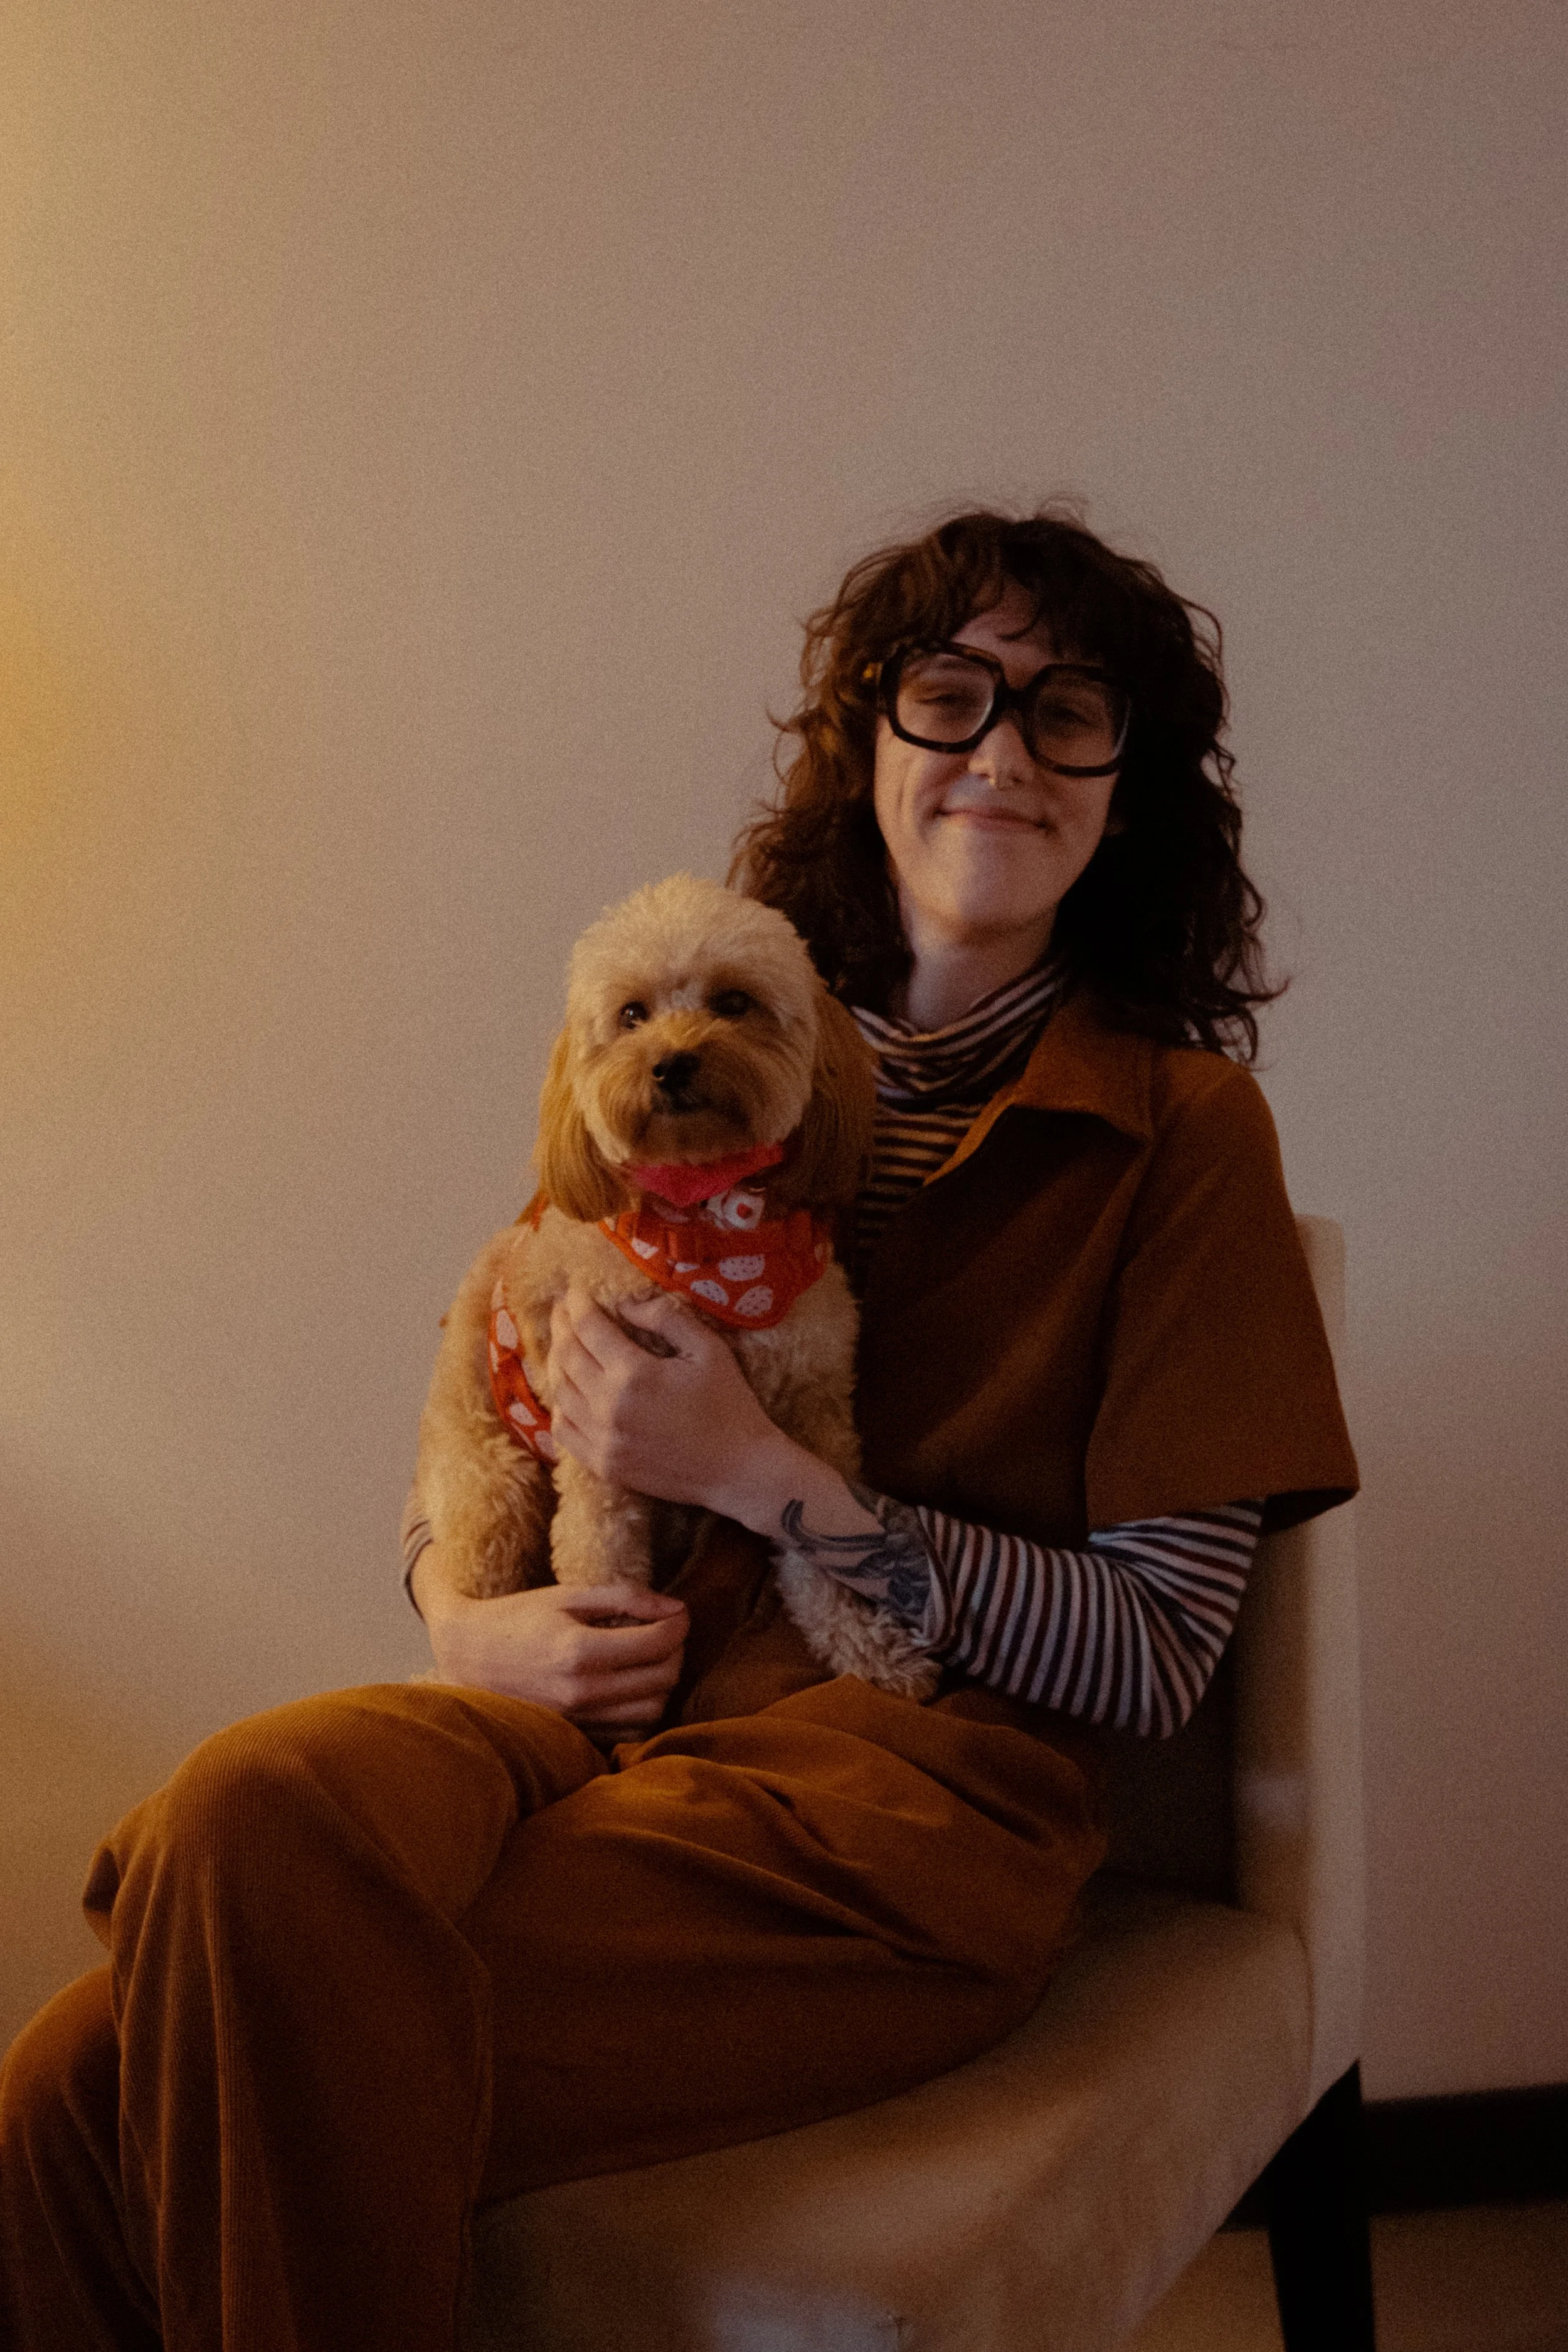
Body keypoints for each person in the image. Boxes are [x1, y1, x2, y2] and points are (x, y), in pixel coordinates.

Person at [0, 508, 1357, 2351]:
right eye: (948, 695)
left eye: (1069, 712)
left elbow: (1151, 1652)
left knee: (93, 2079)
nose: (998, 751)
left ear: (1132, 787)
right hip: (587, 1736)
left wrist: (765, 1477)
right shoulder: (684, 1059)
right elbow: (492, 1382)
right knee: (249, 1809)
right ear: (867, 746)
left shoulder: (1183, 1135)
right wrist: (457, 1620)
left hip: (893, 1817)